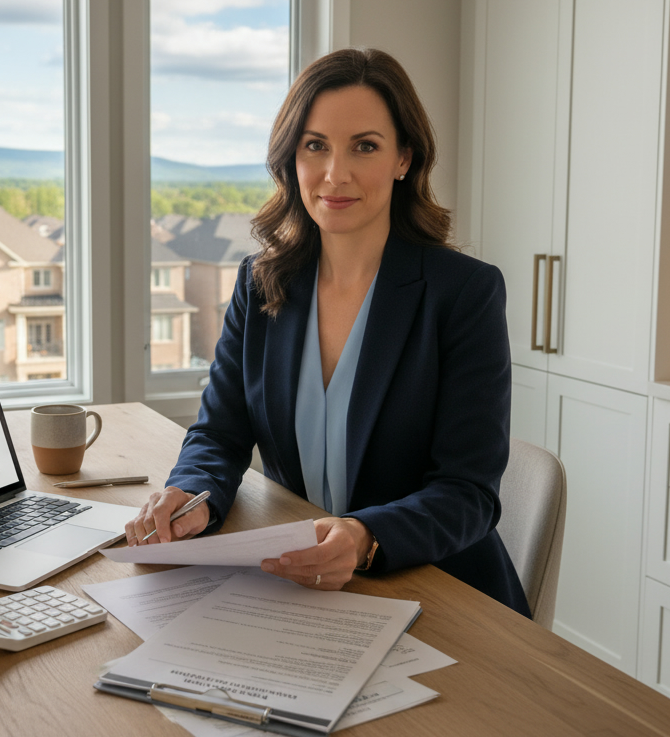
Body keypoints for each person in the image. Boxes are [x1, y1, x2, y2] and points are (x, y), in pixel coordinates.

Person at [124, 48, 530, 617]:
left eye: (365, 146)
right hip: (303, 589)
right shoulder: (259, 282)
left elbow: (469, 493)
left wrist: (365, 537)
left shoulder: (464, 293)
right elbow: (219, 434)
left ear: (403, 159)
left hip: (439, 590)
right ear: (291, 157)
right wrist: (192, 493)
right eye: (315, 145)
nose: (335, 174)